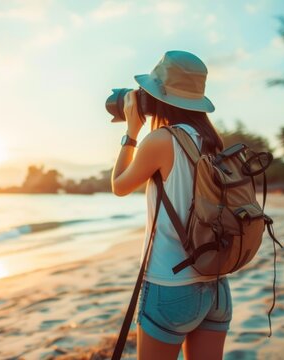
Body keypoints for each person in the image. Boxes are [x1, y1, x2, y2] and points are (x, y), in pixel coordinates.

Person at [111, 50, 232, 360]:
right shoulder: (212, 142)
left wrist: (131, 132)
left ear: (158, 98)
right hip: (216, 284)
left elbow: (119, 186)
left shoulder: (162, 140)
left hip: (171, 285)